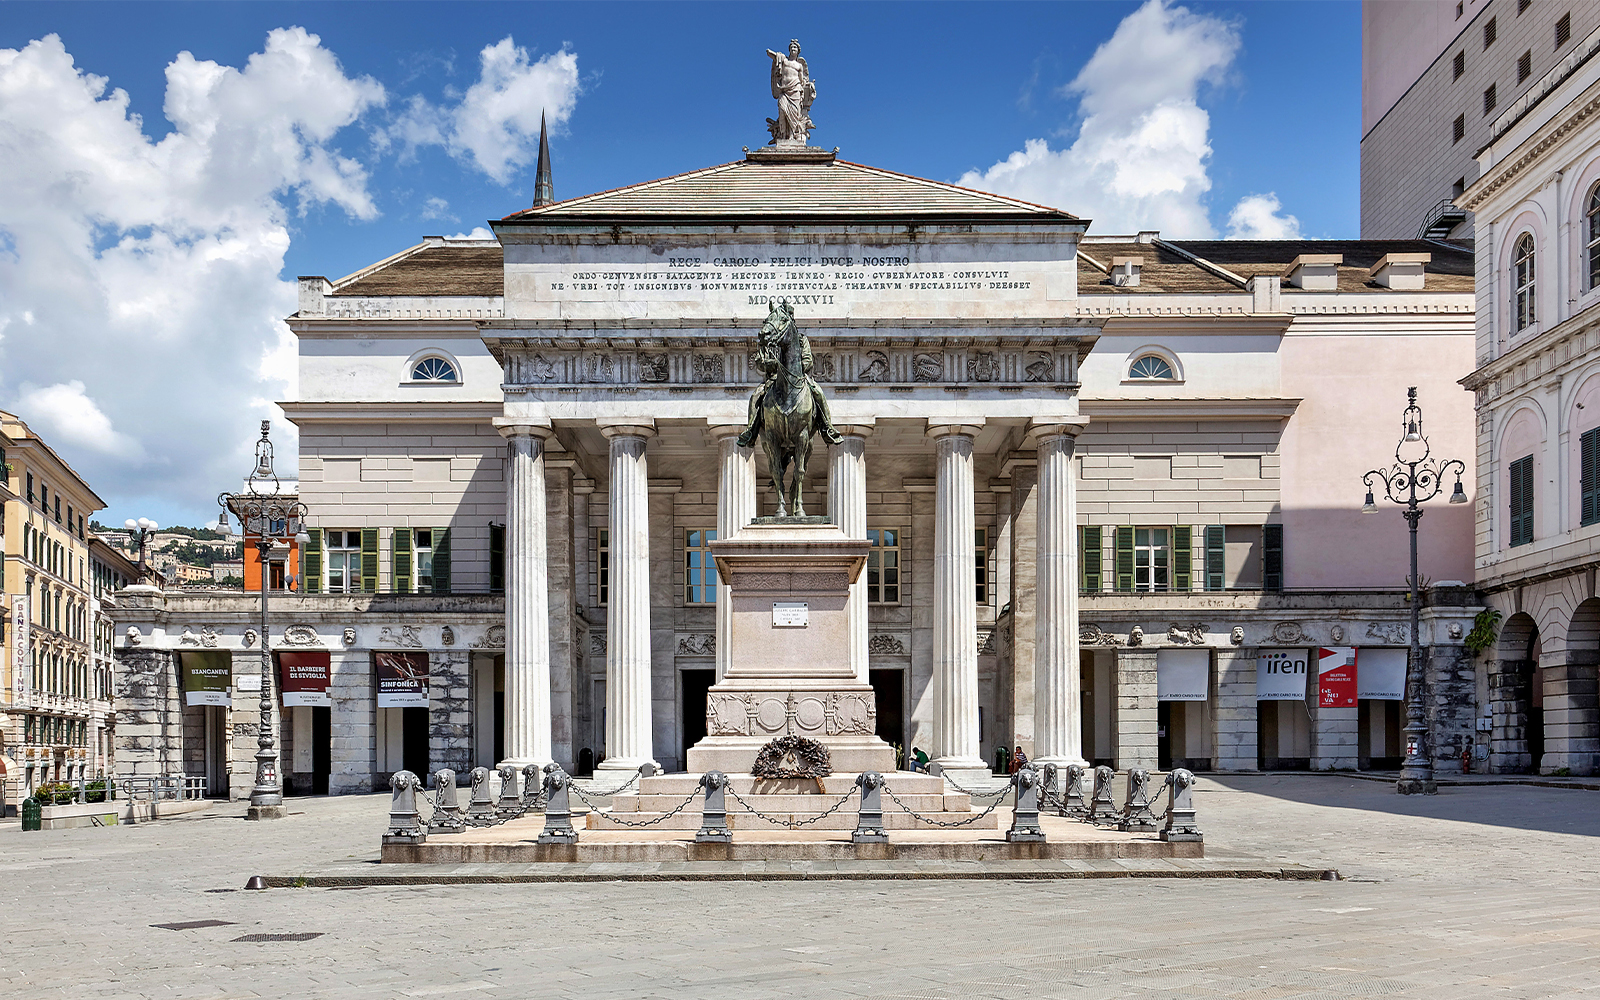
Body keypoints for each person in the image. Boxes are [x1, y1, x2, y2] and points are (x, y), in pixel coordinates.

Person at [737, 305, 843, 448]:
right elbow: (760, 363)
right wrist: (773, 365)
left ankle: (827, 428)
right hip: (774, 380)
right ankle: (751, 431)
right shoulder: (769, 341)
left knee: (818, 392)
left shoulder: (800, 340)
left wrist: (796, 369)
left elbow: (808, 360)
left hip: (798, 379)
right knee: (756, 395)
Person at [765, 39, 816, 144]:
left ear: (798, 51)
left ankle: (792, 135)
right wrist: (770, 53)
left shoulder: (799, 65)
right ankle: (783, 135)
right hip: (784, 89)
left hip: (796, 90)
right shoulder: (784, 60)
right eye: (791, 47)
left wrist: (809, 86)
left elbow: (802, 80)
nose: (793, 49)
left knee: (794, 114)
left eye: (795, 48)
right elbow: (775, 57)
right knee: (782, 110)